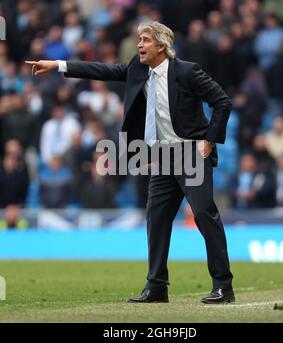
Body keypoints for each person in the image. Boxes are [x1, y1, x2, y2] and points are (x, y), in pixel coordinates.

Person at [26, 21, 234, 304]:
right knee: (156, 219)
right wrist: (58, 65)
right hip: (162, 157)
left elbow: (222, 101)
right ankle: (157, 287)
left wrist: (209, 140)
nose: (139, 45)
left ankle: (223, 286)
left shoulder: (187, 71)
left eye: (146, 40)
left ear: (161, 45)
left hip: (190, 155)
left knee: (204, 216)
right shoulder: (138, 69)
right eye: (139, 39)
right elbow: (101, 70)